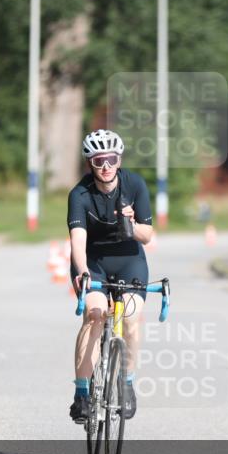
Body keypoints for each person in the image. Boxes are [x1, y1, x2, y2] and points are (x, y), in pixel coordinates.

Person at [67, 129, 153, 423]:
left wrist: (131, 223)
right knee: (95, 315)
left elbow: (148, 235)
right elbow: (77, 240)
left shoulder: (135, 184)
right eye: (98, 160)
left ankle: (127, 383)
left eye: (111, 160)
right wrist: (83, 273)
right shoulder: (80, 194)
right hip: (93, 262)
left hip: (130, 261)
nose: (105, 167)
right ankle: (81, 393)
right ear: (90, 163)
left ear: (119, 160)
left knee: (130, 319)